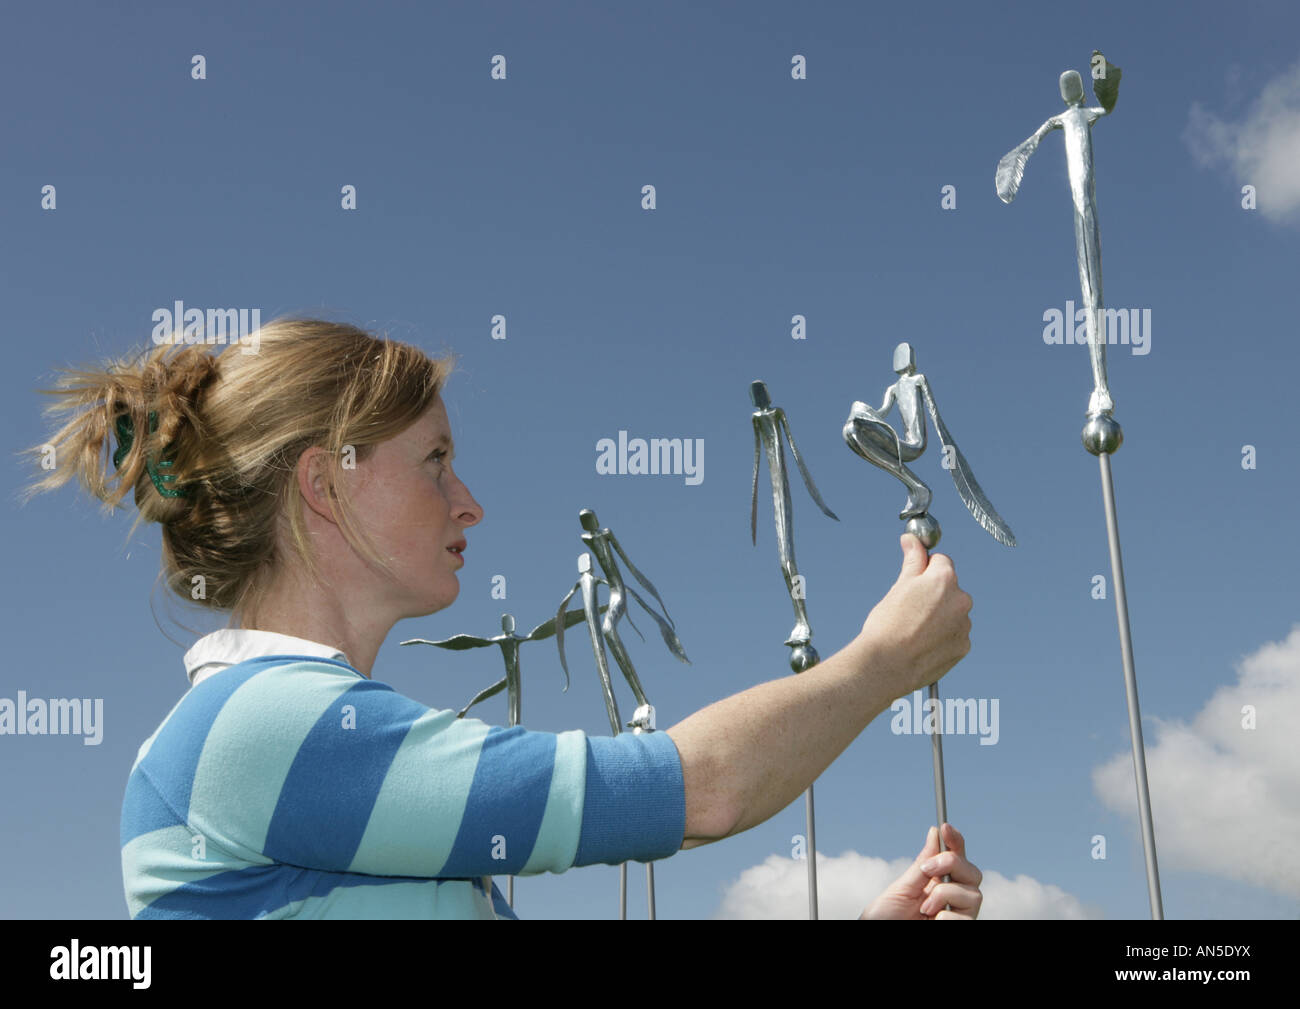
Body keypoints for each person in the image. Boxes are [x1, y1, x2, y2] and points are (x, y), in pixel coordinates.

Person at [22, 317, 983, 920]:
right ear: (327, 485)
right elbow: (700, 793)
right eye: (435, 459)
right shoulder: (258, 733)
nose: (469, 500)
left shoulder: (307, 748)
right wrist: (885, 660)